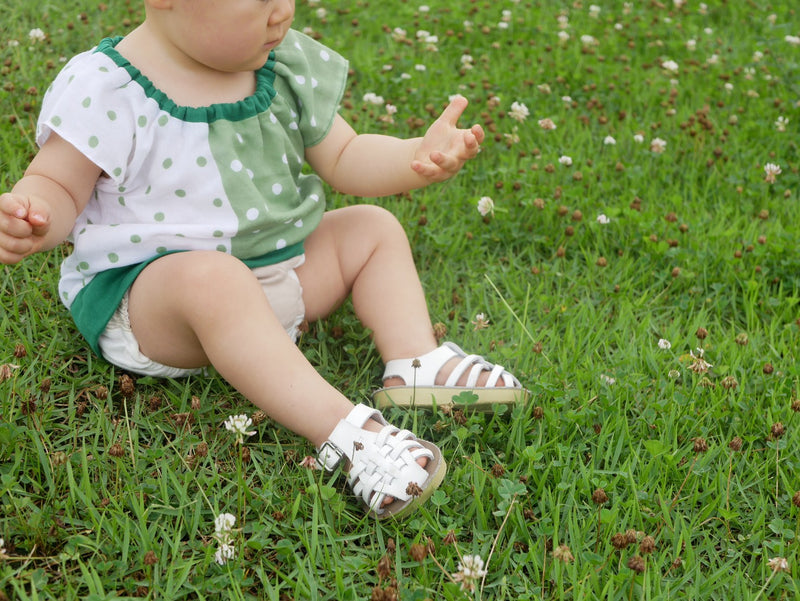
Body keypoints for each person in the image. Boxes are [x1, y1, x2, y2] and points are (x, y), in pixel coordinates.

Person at [0, 0, 525, 519]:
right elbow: (56, 186)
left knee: (371, 227)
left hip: (277, 274)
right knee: (215, 279)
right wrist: (36, 215)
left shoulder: (281, 65)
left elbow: (346, 155)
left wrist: (416, 157)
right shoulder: (105, 88)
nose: (282, 13)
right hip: (157, 304)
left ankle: (415, 362)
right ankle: (343, 432)